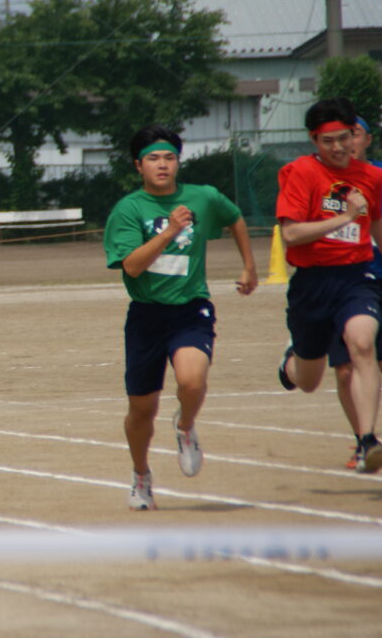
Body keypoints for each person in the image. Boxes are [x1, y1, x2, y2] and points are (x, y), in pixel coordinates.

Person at [103, 125, 258, 511]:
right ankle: (141, 476)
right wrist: (170, 230)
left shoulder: (202, 197)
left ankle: (185, 426)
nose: (163, 165)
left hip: (191, 309)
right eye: (154, 158)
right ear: (138, 165)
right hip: (146, 316)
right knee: (142, 409)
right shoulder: (129, 209)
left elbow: (235, 217)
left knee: (191, 381)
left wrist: (249, 266)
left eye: (170, 158)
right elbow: (132, 266)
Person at [274, 99, 382, 474]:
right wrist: (346, 216)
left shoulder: (371, 177)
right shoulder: (300, 173)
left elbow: (377, 224)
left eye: (344, 138)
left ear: (355, 135)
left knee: (362, 342)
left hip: (356, 277)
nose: (338, 147)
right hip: (312, 283)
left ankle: (367, 439)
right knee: (308, 380)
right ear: (314, 140)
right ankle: (290, 361)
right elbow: (291, 234)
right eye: (328, 141)